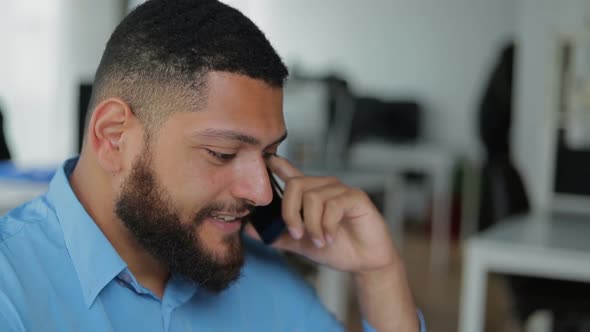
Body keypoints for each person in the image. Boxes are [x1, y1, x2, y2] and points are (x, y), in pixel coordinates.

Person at [0, 1, 425, 331]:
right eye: (222, 154)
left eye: (268, 155)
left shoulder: (258, 276)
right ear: (114, 138)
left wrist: (379, 274)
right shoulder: (12, 292)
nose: (261, 192)